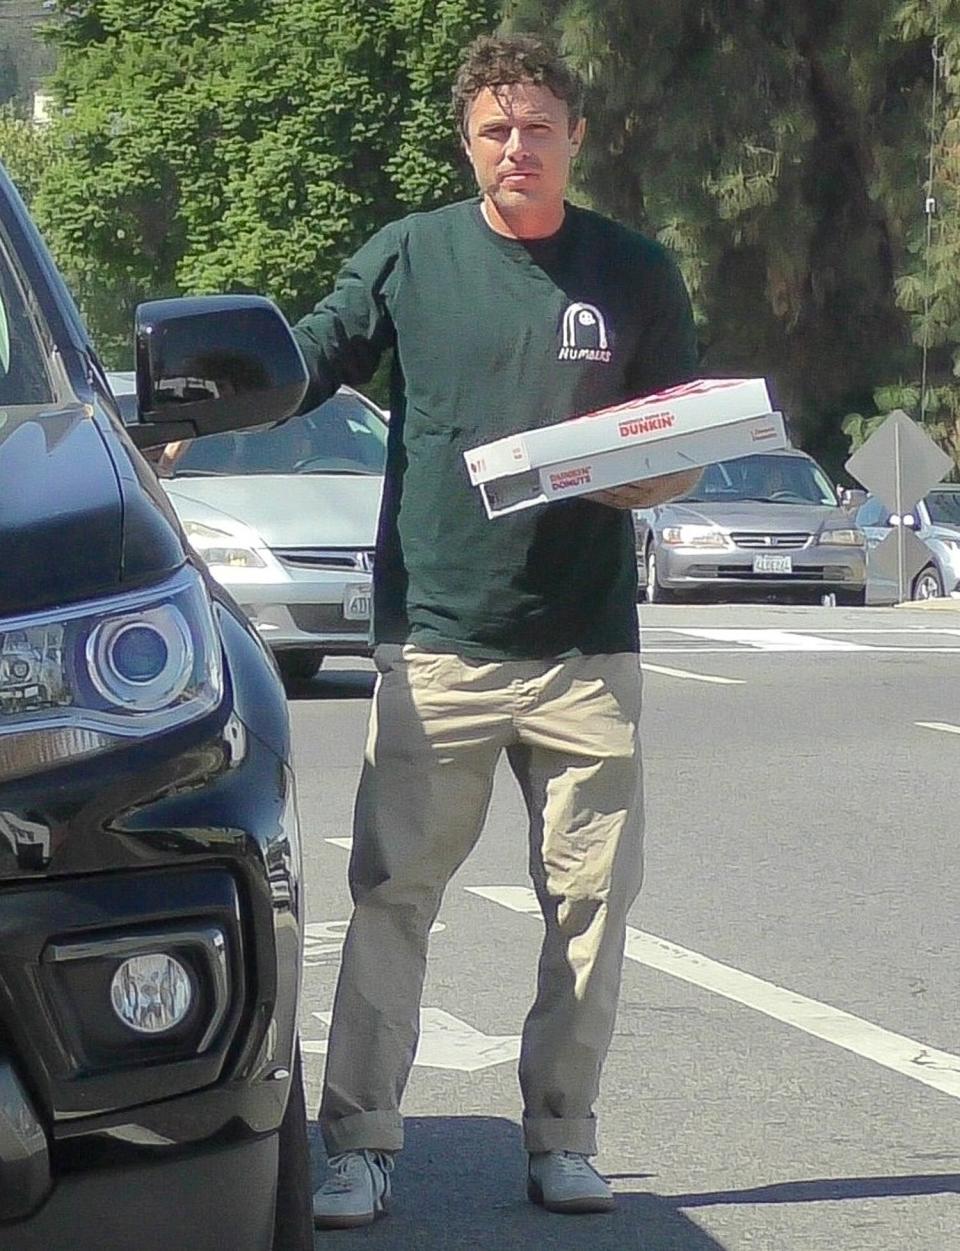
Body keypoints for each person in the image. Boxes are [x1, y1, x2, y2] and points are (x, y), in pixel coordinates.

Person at [291, 32, 700, 1230]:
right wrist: (194, 407)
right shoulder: (411, 257)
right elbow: (311, 354)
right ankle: (358, 1145)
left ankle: (563, 1138)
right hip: (440, 641)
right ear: (467, 141)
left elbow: (677, 427)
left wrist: (656, 480)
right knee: (391, 898)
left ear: (577, 135)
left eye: (537, 127)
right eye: (494, 130)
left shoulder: (634, 269)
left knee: (590, 906)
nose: (516, 148)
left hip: (586, 643)